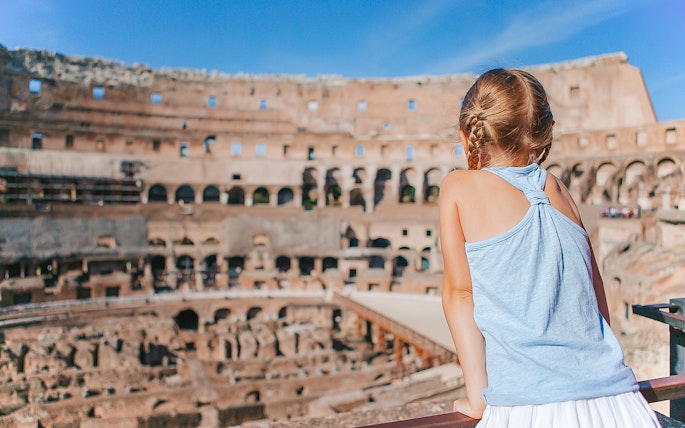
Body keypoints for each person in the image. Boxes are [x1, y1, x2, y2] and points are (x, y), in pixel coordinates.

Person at [439, 68, 660, 427]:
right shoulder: (558, 188)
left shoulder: (458, 186)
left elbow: (460, 294)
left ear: (468, 135)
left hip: (531, 404)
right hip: (619, 401)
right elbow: (595, 296)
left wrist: (479, 396)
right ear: (543, 135)